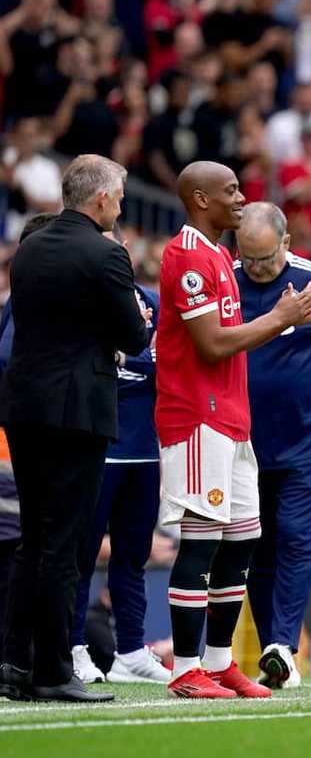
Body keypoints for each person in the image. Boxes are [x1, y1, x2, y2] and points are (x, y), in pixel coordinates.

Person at [157, 162, 311, 700]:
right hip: (197, 416)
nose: (240, 197)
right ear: (200, 199)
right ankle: (185, 668)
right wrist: (282, 317)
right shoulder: (187, 257)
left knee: (242, 541)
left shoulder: (218, 258)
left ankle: (219, 662)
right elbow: (211, 343)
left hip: (233, 422)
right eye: (230, 190)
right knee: (202, 542)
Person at [0, 155, 148, 704]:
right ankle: (55, 670)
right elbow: (134, 337)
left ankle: (14, 662)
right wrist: (138, 323)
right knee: (64, 543)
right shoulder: (107, 254)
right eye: (119, 197)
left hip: (25, 404)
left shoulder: (30, 246)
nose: (121, 206)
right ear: (102, 199)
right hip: (77, 411)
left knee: (32, 539)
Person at [234, 202, 311, 690]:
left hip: (308, 438)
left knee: (293, 533)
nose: (258, 269)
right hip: (245, 439)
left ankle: (283, 642)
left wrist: (309, 391)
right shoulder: (228, 277)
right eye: (249, 258)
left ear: (286, 243)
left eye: (266, 258)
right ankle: (276, 651)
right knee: (254, 545)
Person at [68, 226, 169, 685]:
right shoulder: (78, 301)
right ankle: (72, 647)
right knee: (80, 555)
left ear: (126, 250)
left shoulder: (152, 300)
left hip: (144, 451)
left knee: (133, 555)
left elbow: (160, 363)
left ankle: (131, 648)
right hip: (96, 446)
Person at [0, 213, 58, 658]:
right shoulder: (28, 308)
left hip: (16, 451)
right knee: (23, 552)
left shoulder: (17, 303)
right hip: (16, 458)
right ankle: (23, 656)